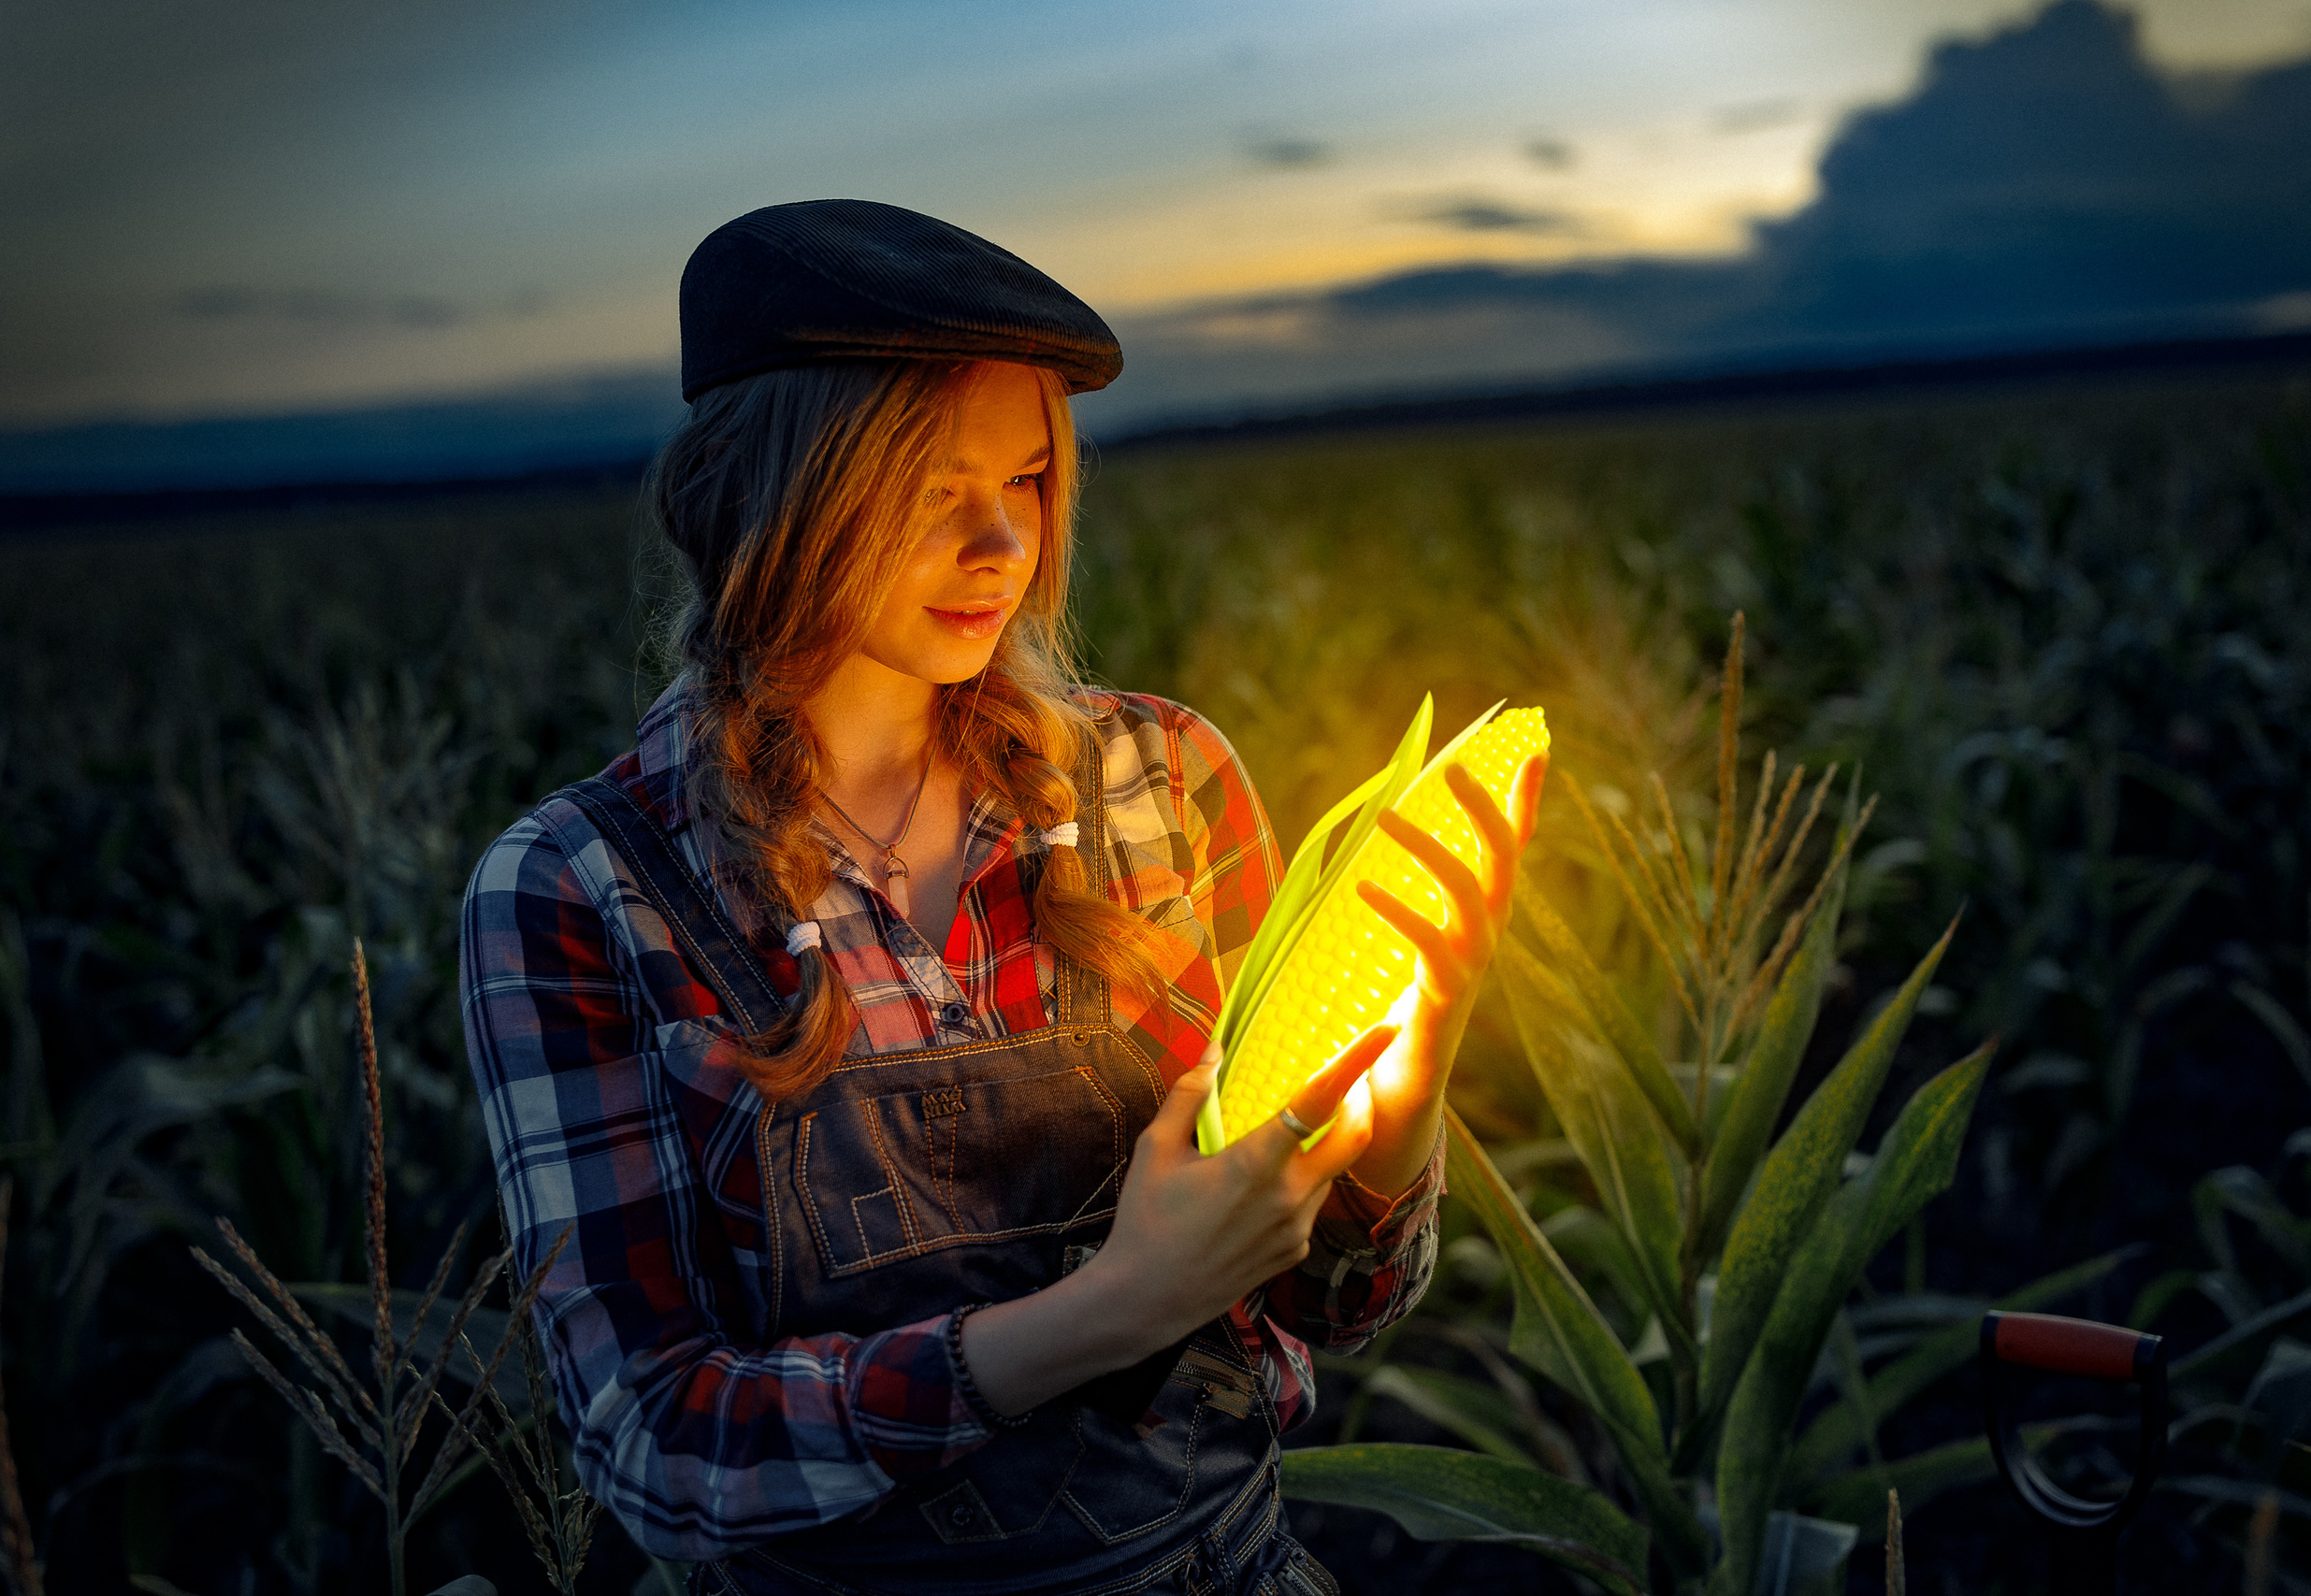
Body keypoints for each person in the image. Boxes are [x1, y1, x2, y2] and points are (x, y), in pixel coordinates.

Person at [460, 200, 1545, 1596]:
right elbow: (657, 1449)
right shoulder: (583, 891)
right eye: (930, 491)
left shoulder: (1164, 780)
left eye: (1028, 479)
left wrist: (1411, 1079)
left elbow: (1337, 1302)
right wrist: (1112, 1311)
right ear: (765, 497)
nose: (1003, 544)